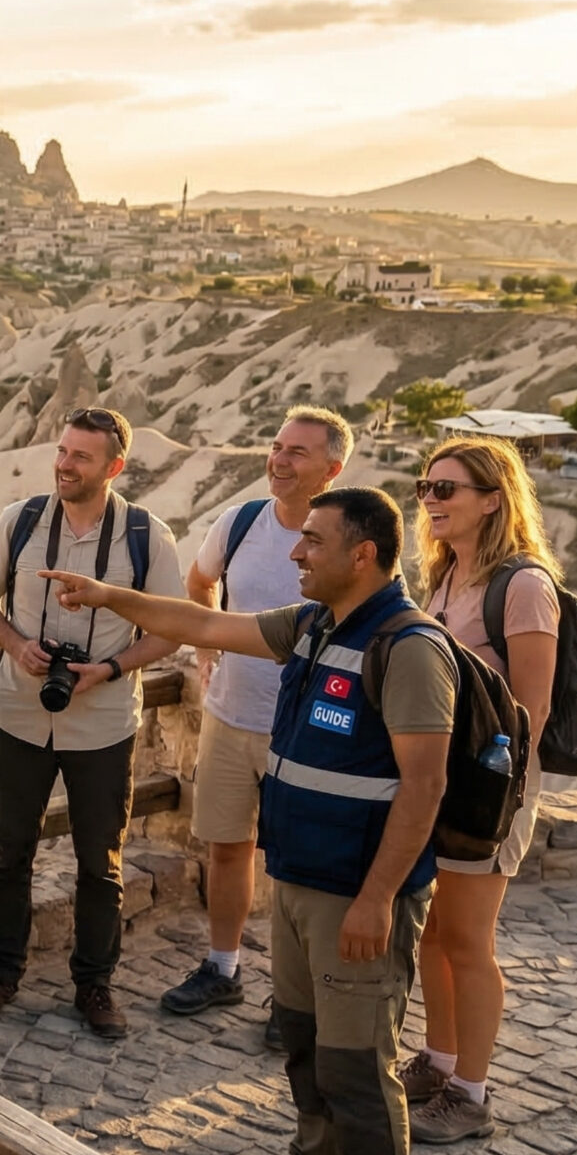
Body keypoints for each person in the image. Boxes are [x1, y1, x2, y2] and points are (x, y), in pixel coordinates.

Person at [39, 486, 453, 1155]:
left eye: (313, 543)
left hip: (355, 894)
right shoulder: (314, 626)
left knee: (360, 1065)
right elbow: (200, 623)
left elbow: (425, 786)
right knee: (304, 1038)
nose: (294, 554)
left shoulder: (407, 648)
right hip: (300, 879)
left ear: (361, 555)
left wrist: (376, 899)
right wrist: (104, 594)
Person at [0, 407, 185, 1038]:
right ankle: (0, 972)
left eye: (81, 456)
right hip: (19, 715)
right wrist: (16, 645)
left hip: (105, 725)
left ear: (114, 467)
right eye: (62, 451)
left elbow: (170, 630)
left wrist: (109, 668)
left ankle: (95, 985)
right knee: (9, 854)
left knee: (100, 863)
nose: (64, 464)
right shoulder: (21, 521)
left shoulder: (147, 537)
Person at [163, 408, 350, 1041]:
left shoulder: (348, 538)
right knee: (226, 848)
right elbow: (199, 583)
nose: (280, 459)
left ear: (333, 467)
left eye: (298, 451)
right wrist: (206, 646)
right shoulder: (239, 522)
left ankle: (296, 999)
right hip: (229, 716)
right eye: (277, 446)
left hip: (307, 732)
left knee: (300, 868)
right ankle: (224, 967)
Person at [402, 436, 559, 1145]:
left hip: (488, 795)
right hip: (444, 785)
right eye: (425, 487)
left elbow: (531, 707)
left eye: (447, 490)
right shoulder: (446, 578)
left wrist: (486, 796)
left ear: (492, 500)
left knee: (468, 939)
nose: (430, 502)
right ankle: (438, 1061)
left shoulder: (521, 586)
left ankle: (472, 1092)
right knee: (437, 933)